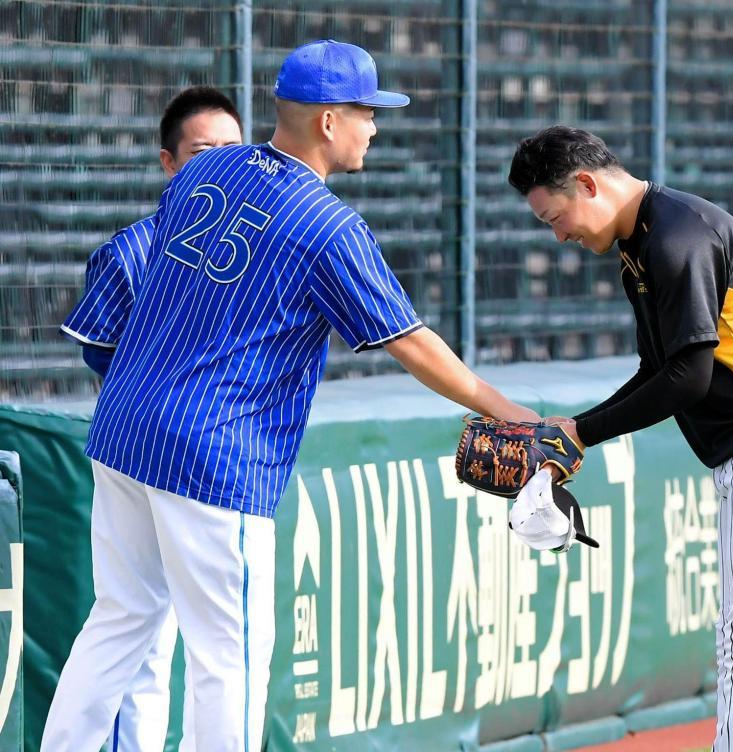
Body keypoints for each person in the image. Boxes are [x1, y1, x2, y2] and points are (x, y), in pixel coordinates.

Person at [41, 40, 538, 752]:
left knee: (119, 621)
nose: (374, 127)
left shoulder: (204, 167)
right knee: (229, 658)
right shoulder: (327, 225)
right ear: (329, 121)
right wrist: (505, 408)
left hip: (123, 425)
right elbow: (410, 342)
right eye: (367, 112)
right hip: (213, 452)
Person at [508, 125, 733, 752]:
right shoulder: (642, 241)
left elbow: (687, 379)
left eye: (555, 217)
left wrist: (581, 432)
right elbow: (656, 369)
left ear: (587, 184)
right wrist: (572, 435)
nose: (559, 235)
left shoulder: (676, 237)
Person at [57, 86, 243, 752]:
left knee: (163, 629)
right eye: (201, 151)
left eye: (231, 149)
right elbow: (102, 354)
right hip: (153, 457)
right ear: (169, 162)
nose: (218, 163)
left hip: (209, 458)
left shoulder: (264, 242)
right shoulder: (132, 250)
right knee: (147, 630)